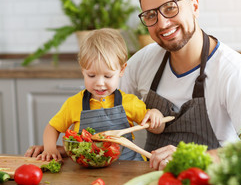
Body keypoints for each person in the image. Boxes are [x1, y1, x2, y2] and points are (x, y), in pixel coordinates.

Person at [119, 0, 241, 170]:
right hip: (152, 183)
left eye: (170, 8)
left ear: (195, 7)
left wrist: (191, 157)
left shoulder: (233, 70)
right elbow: (106, 106)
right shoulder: (142, 61)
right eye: (151, 15)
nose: (162, 24)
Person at [25, 28, 165, 161]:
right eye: (91, 75)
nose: (99, 83)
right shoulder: (74, 103)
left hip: (127, 168)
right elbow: (52, 128)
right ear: (82, 70)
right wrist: (50, 149)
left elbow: (156, 128)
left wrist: (156, 116)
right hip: (86, 169)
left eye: (108, 76)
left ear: (122, 70)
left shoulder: (130, 102)